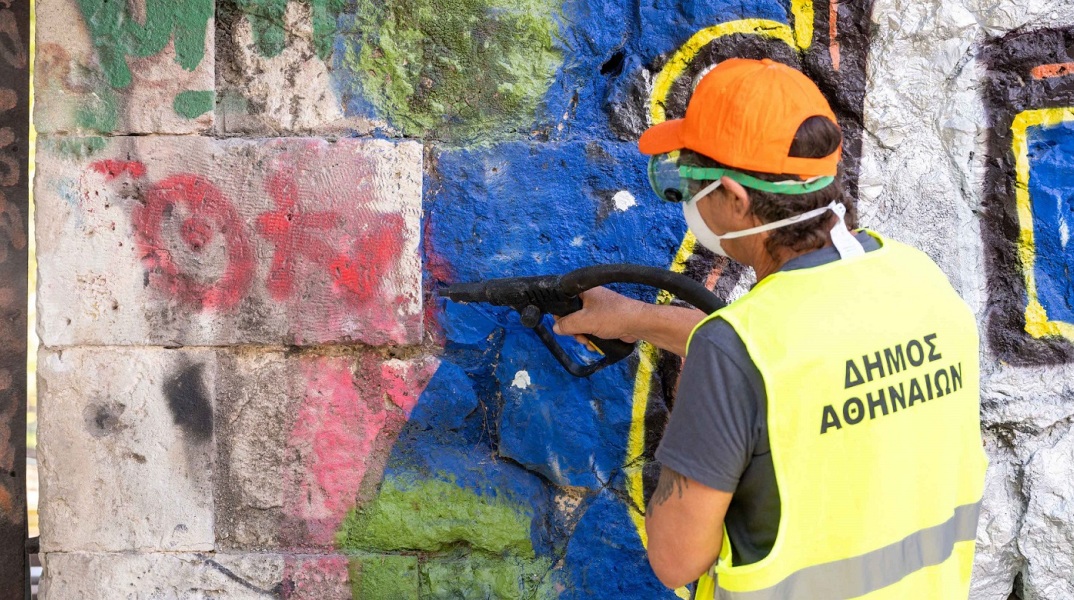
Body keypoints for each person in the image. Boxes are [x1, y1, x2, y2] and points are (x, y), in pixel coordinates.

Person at [553, 58, 988, 599]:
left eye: (684, 181)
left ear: (735, 200)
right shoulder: (920, 281)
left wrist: (700, 391)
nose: (684, 199)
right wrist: (640, 320)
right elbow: (797, 360)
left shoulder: (733, 352)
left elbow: (675, 560)